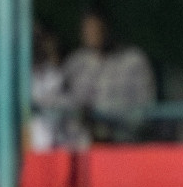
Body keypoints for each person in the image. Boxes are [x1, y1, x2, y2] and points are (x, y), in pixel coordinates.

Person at [62, 8, 156, 143]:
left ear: (108, 28)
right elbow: (60, 102)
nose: (93, 33)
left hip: (123, 145)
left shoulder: (133, 61)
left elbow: (145, 111)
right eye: (88, 29)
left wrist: (108, 123)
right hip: (82, 147)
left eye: (98, 28)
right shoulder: (75, 64)